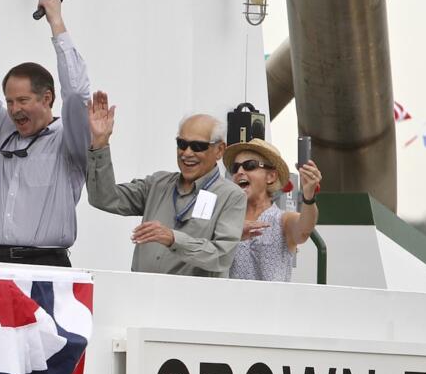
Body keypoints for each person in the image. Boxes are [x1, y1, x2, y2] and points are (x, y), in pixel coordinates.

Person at [0, 0, 93, 267]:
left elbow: (76, 94)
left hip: (45, 267)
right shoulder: (1, 131)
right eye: (9, 101)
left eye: (23, 101)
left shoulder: (70, 140)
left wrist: (56, 22)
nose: (14, 110)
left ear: (46, 99)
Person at [85, 94, 245, 277]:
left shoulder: (231, 196)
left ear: (219, 150)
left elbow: (221, 256)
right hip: (142, 295)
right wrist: (100, 144)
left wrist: (173, 238)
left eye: (197, 146)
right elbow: (104, 199)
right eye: (182, 144)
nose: (187, 153)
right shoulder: (158, 184)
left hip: (191, 302)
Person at [224, 138, 323, 281]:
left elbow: (304, 229)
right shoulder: (225, 218)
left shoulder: (282, 220)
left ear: (271, 176)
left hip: (272, 303)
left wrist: (308, 196)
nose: (239, 171)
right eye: (235, 167)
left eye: (249, 165)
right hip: (228, 302)